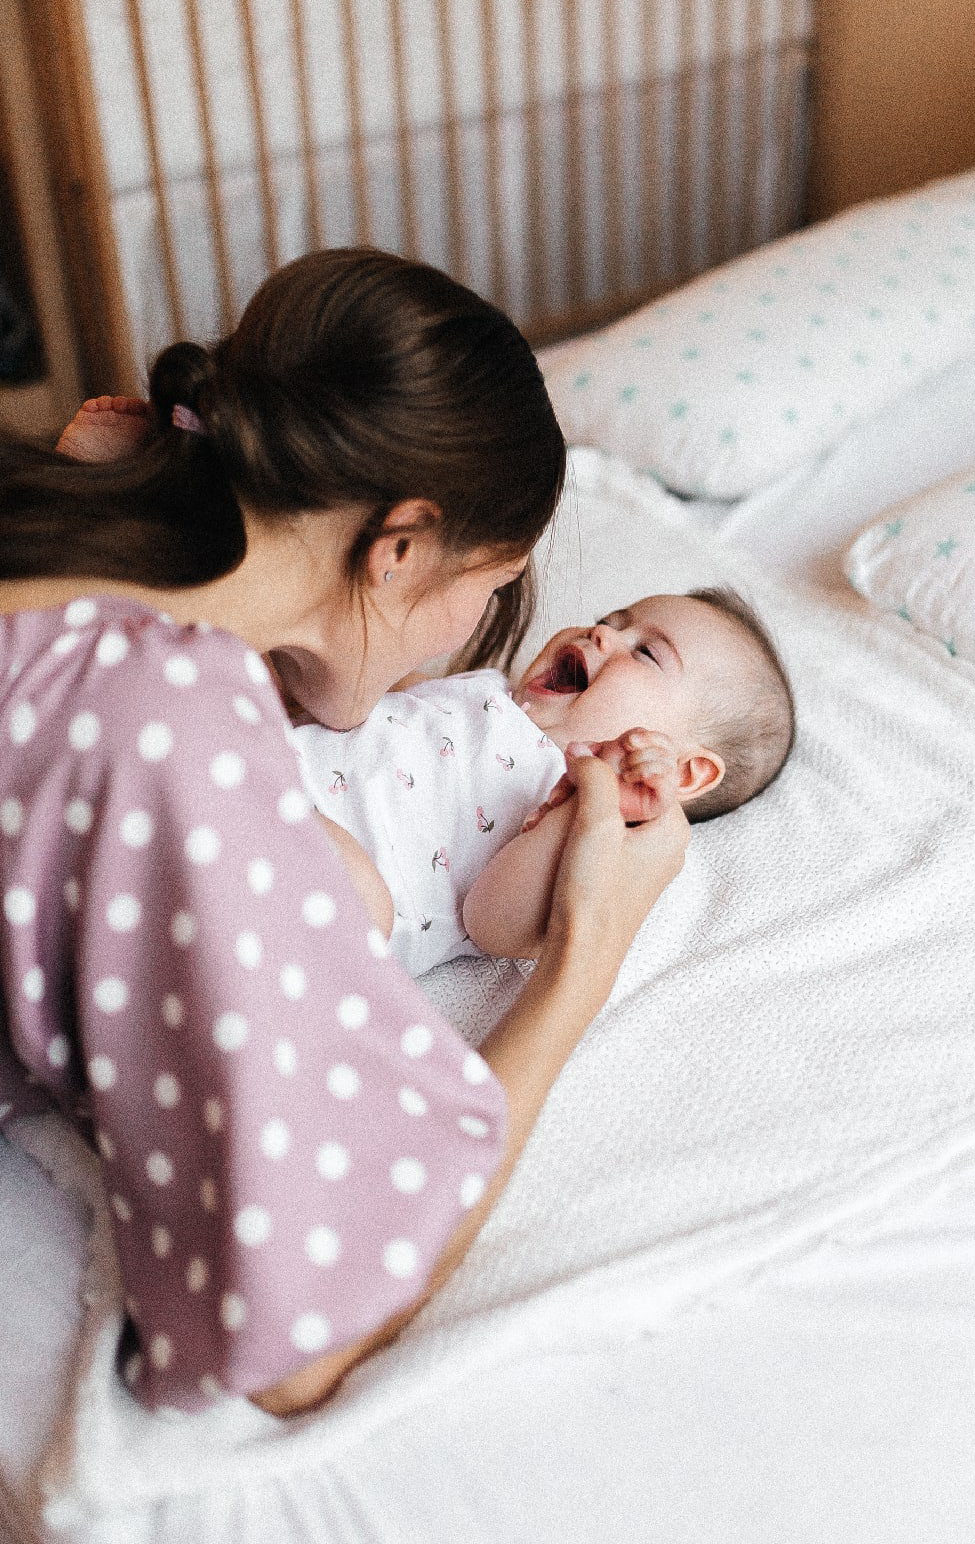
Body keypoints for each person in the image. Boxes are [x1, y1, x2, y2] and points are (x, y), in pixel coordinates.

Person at [0, 248, 688, 1419]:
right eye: (495, 581)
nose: (478, 639)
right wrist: (586, 956)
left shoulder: (67, 564)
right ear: (403, 544)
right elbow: (295, 1345)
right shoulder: (168, 722)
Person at [295, 588, 794, 974]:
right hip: (264, 767)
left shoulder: (575, 817)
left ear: (687, 772)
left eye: (646, 653)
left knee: (356, 889)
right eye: (609, 622)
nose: (601, 636)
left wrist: (599, 799)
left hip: (317, 894)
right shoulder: (490, 689)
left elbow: (494, 922)